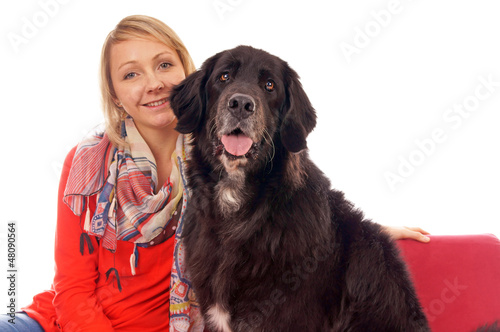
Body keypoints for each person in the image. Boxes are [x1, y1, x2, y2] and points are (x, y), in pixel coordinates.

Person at [0, 15, 430, 332]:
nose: (152, 83)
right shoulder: (89, 163)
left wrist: (366, 236)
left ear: (187, 74)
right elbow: (71, 289)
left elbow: (297, 199)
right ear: (114, 94)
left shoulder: (218, 157)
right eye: (131, 74)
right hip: (62, 321)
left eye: (163, 65)